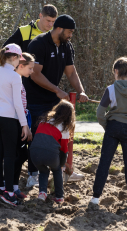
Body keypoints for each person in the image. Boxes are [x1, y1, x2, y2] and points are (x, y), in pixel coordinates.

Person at [25, 14, 89, 187]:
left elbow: (71, 72)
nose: (71, 36)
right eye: (69, 32)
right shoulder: (38, 43)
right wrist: (57, 90)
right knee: (37, 136)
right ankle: (33, 174)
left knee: (59, 134)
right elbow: (35, 74)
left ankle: (62, 170)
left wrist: (80, 91)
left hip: (53, 100)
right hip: (35, 99)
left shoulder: (67, 46)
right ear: (59, 28)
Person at [3, 5, 58, 187]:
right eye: (47, 20)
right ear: (39, 16)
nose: (50, 24)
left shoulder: (53, 37)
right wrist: (16, 70)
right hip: (24, 88)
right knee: (25, 133)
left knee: (41, 132)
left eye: (53, 22)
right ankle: (30, 173)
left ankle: (42, 170)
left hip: (45, 89)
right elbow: (5, 51)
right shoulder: (24, 31)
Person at [90, 57, 127, 209]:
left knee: (104, 163)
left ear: (116, 71)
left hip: (113, 127)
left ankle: (95, 198)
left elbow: (100, 112)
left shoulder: (111, 89)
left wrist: (106, 126)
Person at [0, 44, 32, 206]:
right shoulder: (14, 76)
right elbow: (18, 105)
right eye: (18, 59)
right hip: (8, 118)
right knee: (9, 154)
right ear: (14, 58)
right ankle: (8, 192)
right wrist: (24, 125)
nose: (18, 63)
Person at [30, 100, 75, 203]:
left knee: (43, 171)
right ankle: (59, 197)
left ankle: (42, 193)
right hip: (50, 154)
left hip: (34, 152)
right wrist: (62, 164)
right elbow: (64, 149)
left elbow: (39, 139)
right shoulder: (64, 127)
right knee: (57, 170)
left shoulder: (44, 120)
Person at [12, 52, 35, 199]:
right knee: (19, 155)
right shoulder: (15, 80)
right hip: (16, 123)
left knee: (21, 155)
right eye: (30, 68)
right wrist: (24, 125)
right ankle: (11, 187)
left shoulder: (19, 79)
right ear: (21, 66)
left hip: (22, 120)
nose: (32, 71)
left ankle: (13, 186)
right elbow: (18, 105)